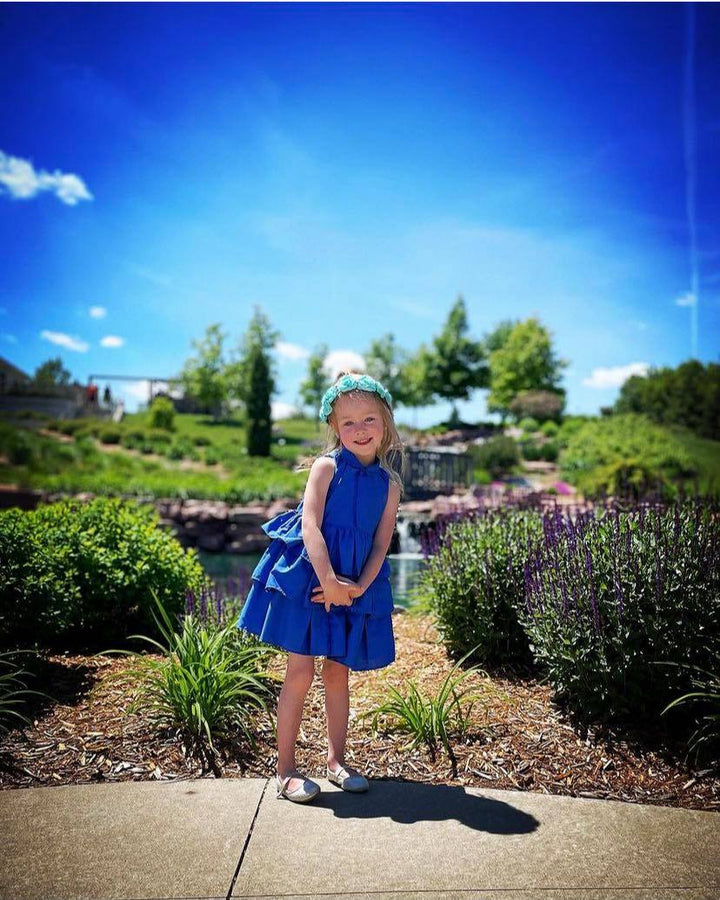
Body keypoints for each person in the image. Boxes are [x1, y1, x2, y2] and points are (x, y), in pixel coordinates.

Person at [236, 371, 406, 803]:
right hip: (311, 577)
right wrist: (329, 581)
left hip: (353, 585)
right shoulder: (325, 468)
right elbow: (310, 525)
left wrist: (356, 588)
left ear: (385, 421)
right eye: (348, 422)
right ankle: (286, 769)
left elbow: (382, 542)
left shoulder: (389, 486)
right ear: (333, 427)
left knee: (337, 670)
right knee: (300, 670)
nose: (360, 430)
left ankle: (336, 760)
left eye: (369, 419)